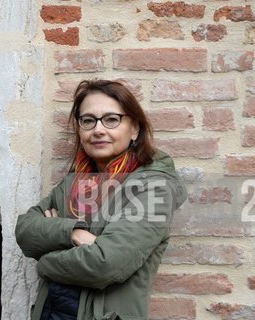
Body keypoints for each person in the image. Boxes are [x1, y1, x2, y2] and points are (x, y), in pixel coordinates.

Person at [15, 79, 188, 320]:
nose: (98, 129)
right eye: (88, 120)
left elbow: (105, 264)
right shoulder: (74, 182)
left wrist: (44, 262)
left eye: (111, 119)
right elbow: (25, 230)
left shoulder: (154, 188)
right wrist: (73, 234)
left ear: (134, 129)